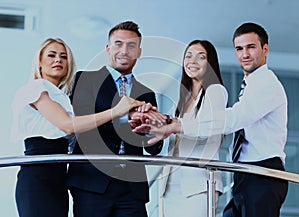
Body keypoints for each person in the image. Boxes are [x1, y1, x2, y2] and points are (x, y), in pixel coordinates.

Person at [134, 22, 289, 217]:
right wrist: (159, 124)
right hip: (244, 174)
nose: (245, 54)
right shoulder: (247, 86)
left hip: (261, 172)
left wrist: (175, 125)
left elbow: (230, 120)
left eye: (251, 47)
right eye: (239, 49)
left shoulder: (265, 84)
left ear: (265, 49)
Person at [11, 38, 144, 217]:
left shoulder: (64, 97)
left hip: (59, 175)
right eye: (51, 55)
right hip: (38, 174)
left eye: (63, 57)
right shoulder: (36, 88)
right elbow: (68, 126)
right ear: (39, 62)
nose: (58, 60)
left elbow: (82, 130)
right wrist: (116, 111)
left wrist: (131, 119)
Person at [67, 21, 164, 217]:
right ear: (108, 48)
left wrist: (153, 127)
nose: (124, 51)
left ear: (139, 52)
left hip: (132, 188)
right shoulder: (84, 80)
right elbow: (82, 126)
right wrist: (124, 114)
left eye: (131, 46)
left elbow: (152, 148)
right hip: (92, 184)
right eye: (118, 44)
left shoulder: (147, 94)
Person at [132, 39, 227, 216]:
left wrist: (174, 126)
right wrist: (154, 123)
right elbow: (175, 131)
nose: (192, 61)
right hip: (171, 184)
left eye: (201, 57)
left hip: (198, 185)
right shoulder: (183, 99)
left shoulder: (215, 91)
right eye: (188, 56)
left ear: (211, 63)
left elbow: (209, 127)